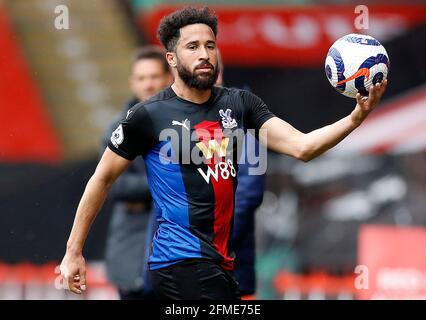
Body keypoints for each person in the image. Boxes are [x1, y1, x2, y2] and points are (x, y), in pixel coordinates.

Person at [59, 6, 387, 300]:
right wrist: (73, 252)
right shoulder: (148, 116)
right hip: (179, 263)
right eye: (193, 47)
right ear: (171, 59)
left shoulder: (240, 104)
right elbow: (101, 180)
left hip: (223, 264)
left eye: (210, 45)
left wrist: (356, 117)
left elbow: (302, 147)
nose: (205, 54)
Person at [101, 46, 172, 299]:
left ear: (169, 77)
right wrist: (168, 182)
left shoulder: (186, 123)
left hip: (180, 250)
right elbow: (113, 186)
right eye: (142, 78)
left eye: (154, 77)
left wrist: (141, 194)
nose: (148, 84)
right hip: (133, 250)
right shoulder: (117, 128)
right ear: (133, 82)